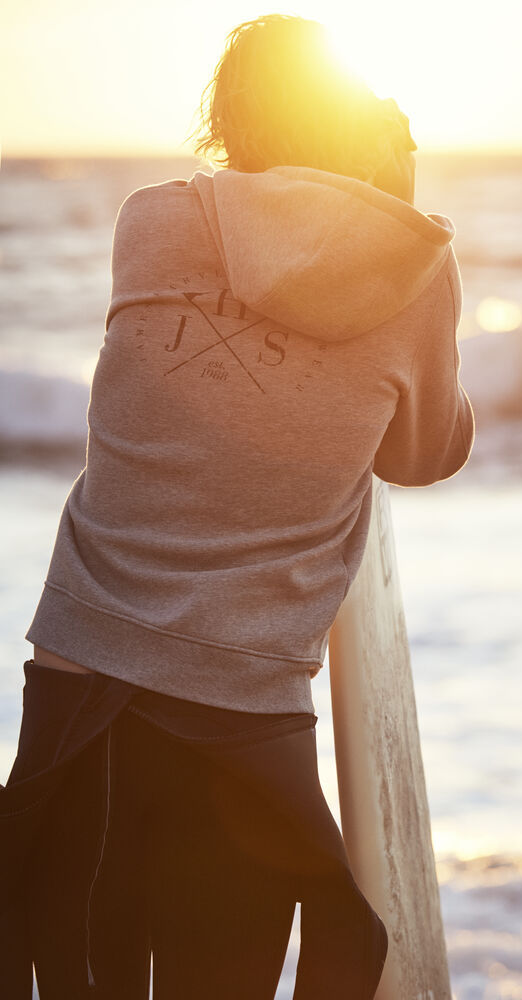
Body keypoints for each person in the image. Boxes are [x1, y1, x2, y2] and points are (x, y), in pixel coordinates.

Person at [0, 13, 474, 1000]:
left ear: (228, 117)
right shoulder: (417, 269)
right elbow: (424, 453)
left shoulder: (152, 221)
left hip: (81, 677)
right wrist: (394, 221)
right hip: (245, 709)